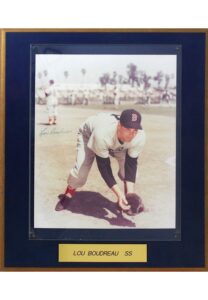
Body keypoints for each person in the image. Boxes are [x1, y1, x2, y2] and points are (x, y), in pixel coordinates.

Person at [55, 109, 146, 211]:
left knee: (130, 174)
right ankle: (67, 195)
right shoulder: (102, 133)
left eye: (135, 130)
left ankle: (126, 200)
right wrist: (119, 194)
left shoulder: (139, 136)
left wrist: (130, 195)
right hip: (89, 134)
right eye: (128, 129)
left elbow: (131, 165)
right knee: (80, 175)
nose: (132, 134)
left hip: (114, 141)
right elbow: (104, 167)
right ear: (119, 125)